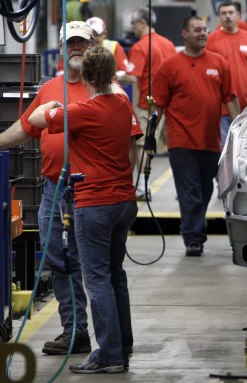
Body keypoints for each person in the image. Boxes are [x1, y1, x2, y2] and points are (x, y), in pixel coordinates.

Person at [29, 45, 142, 374]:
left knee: (95, 279)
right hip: (124, 201)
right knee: (115, 275)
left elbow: (37, 118)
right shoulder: (122, 103)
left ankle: (108, 354)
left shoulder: (83, 111)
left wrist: (53, 105)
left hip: (95, 204)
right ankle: (123, 346)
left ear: (87, 76)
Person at [0, 22, 97, 356]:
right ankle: (75, 331)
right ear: (60, 48)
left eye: (82, 43)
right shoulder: (49, 89)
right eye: (70, 43)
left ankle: (111, 341)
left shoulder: (103, 89)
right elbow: (26, 128)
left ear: (93, 47)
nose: (76, 49)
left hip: (91, 191)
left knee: (95, 266)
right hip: (55, 189)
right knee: (59, 261)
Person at [152, 16, 240, 256]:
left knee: (205, 191)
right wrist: (149, 135)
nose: (203, 33)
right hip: (181, 142)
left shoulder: (219, 63)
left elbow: (229, 98)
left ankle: (194, 230)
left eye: (204, 30)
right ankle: (193, 237)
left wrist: (241, 130)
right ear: (184, 34)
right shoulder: (170, 66)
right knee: (189, 191)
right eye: (197, 30)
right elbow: (158, 105)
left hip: (211, 142)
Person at [124, 7, 176, 198]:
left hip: (148, 104)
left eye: (133, 23)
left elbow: (131, 77)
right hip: (168, 103)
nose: (132, 27)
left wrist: (108, 76)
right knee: (170, 145)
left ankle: (143, 187)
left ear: (143, 23)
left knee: (141, 145)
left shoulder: (140, 47)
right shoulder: (168, 44)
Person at [207, 0, 247, 145]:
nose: (227, 16)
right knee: (225, 149)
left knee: (246, 147)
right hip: (221, 108)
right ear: (219, 16)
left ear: (238, 15)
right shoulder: (211, 40)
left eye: (231, 13)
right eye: (223, 13)